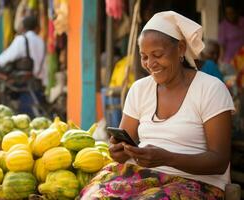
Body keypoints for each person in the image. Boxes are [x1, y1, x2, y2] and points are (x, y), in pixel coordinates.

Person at [79, 11, 235, 199]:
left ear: (180, 48)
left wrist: (167, 158)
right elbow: (122, 147)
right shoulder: (139, 89)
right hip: (142, 176)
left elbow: (219, 160)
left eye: (157, 55)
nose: (150, 63)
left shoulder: (211, 89)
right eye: (144, 56)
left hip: (197, 182)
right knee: (93, 196)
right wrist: (119, 152)